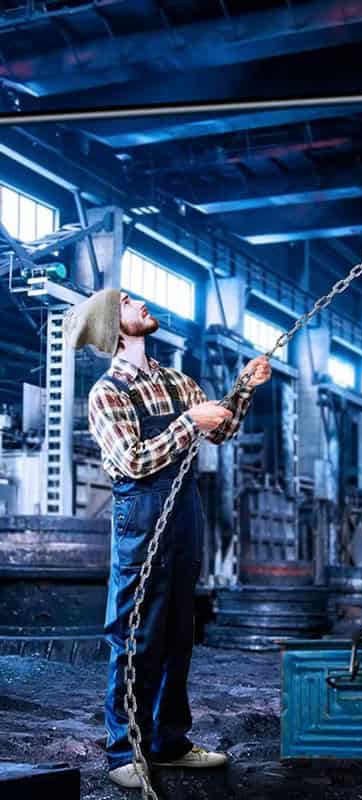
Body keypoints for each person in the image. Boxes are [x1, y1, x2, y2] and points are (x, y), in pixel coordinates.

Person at [65, 287, 272, 790]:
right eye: (127, 302)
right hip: (142, 511)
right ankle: (123, 751)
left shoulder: (177, 380)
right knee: (137, 633)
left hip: (184, 512)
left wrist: (243, 388)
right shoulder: (107, 394)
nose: (139, 303)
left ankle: (169, 743)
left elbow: (218, 430)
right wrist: (187, 423)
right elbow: (132, 460)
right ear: (114, 329)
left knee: (180, 630)